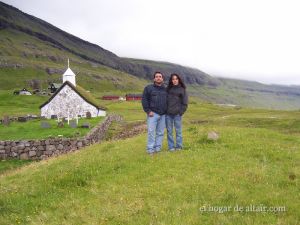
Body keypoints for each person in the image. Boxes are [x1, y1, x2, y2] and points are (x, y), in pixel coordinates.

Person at [142, 72, 167, 155]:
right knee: (151, 132)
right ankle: (150, 149)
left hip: (163, 114)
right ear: (154, 79)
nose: (158, 78)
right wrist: (148, 111)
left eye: (160, 76)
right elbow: (144, 100)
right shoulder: (148, 88)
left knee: (160, 132)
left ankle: (158, 148)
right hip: (153, 114)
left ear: (162, 79)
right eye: (157, 77)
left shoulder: (166, 89)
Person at [166, 73, 188, 151]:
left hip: (177, 115)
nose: (174, 80)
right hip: (168, 114)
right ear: (171, 80)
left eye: (176, 79)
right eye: (173, 79)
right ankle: (171, 147)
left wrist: (180, 112)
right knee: (169, 132)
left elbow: (185, 103)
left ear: (179, 80)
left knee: (178, 131)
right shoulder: (168, 89)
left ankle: (179, 147)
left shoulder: (182, 90)